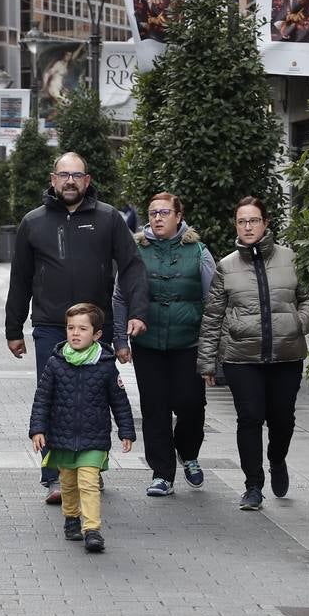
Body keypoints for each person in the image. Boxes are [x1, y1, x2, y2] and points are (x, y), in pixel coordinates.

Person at [5, 152, 148, 505]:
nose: (70, 181)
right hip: (51, 327)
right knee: (54, 398)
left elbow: (131, 265)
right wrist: (13, 328)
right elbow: (20, 278)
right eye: (63, 175)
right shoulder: (33, 222)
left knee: (94, 401)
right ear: (53, 179)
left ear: (88, 180)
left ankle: (90, 469)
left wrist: (138, 310)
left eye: (77, 175)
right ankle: (55, 476)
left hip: (97, 328)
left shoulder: (109, 218)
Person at [198, 196, 309, 511]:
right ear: (236, 226)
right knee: (249, 419)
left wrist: (299, 322)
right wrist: (208, 361)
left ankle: (277, 459)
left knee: (283, 420)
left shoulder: (291, 259)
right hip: (241, 357)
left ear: (265, 223)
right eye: (242, 221)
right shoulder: (226, 266)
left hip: (286, 355)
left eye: (253, 220)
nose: (247, 227)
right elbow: (213, 316)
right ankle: (253, 486)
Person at [114, 193, 216, 497]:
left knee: (191, 405)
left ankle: (188, 452)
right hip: (149, 344)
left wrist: (213, 351)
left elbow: (213, 302)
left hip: (189, 343)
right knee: (154, 408)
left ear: (179, 216)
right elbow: (120, 297)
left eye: (164, 212)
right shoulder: (135, 251)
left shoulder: (199, 252)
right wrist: (121, 339)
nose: (157, 218)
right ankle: (162, 473)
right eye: (153, 213)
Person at [30, 303, 136, 552]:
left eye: (82, 329)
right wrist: (38, 429)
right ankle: (71, 518)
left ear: (97, 334)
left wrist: (126, 430)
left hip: (94, 437)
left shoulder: (106, 364)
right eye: (71, 328)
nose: (75, 333)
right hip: (62, 437)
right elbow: (42, 398)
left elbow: (119, 400)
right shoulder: (56, 362)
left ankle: (92, 530)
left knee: (88, 482)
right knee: (68, 484)